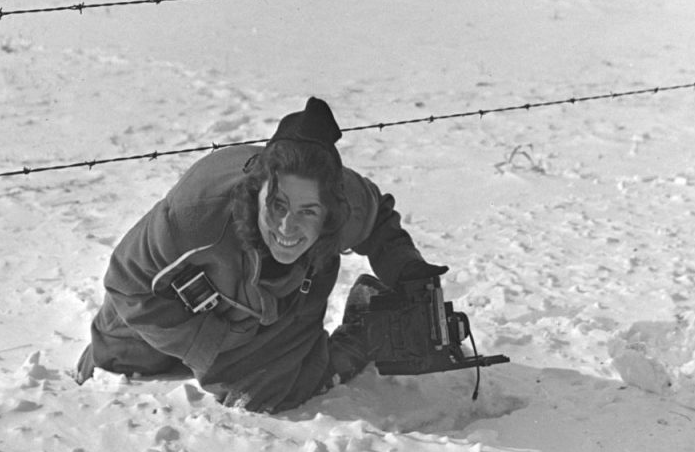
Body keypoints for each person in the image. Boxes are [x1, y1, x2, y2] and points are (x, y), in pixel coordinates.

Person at [75, 97, 448, 413]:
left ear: (331, 210)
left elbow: (378, 221)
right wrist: (211, 346)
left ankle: (363, 330)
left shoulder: (342, 197)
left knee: (267, 394)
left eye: (308, 212)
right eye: (277, 205)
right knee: (118, 360)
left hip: (285, 298)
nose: (287, 227)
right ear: (256, 191)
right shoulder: (196, 215)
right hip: (171, 310)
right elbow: (126, 282)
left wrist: (406, 270)